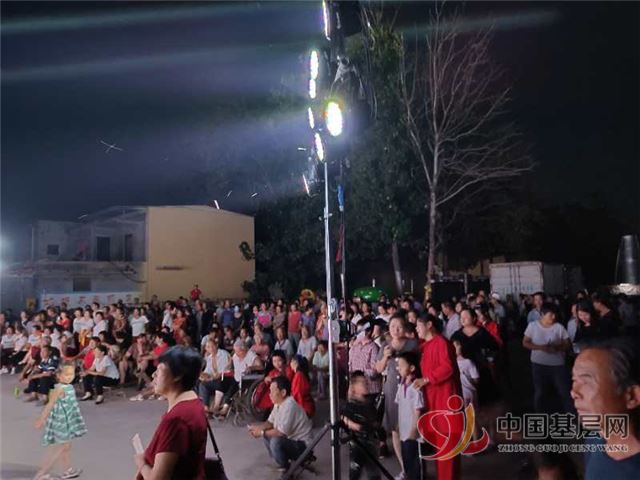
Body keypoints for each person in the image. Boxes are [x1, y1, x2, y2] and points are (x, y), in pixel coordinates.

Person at [571, 338, 640, 479]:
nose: (574, 392)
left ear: (632, 396)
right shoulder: (594, 440)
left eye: (586, 382)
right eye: (574, 380)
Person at [134, 346, 207, 480]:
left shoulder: (176, 420)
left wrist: (141, 463)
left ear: (178, 375)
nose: (154, 375)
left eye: (159, 370)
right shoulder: (195, 402)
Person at [414, 314, 461, 480]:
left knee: (447, 448)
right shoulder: (425, 346)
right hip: (433, 400)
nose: (416, 329)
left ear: (429, 325)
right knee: (439, 448)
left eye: (419, 325)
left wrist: (426, 379)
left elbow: (447, 368)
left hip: (445, 400)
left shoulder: (441, 343)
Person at [375, 315, 418, 475]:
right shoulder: (385, 346)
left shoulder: (413, 344)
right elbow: (378, 369)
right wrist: (386, 357)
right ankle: (404, 468)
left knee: (412, 427)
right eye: (392, 326)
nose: (395, 330)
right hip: (392, 389)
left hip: (410, 389)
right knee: (395, 429)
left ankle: (415, 468)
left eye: (399, 326)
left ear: (405, 328)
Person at [248, 376, 313, 472]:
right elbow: (270, 422)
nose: (270, 394)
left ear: (283, 393)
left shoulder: (290, 405)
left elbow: (280, 432)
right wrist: (258, 428)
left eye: (272, 391)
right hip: (292, 441)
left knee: (275, 441)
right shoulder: (278, 403)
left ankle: (286, 468)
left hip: (304, 446)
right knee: (267, 434)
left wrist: (261, 432)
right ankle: (283, 461)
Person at [33, 364, 87, 480]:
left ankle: (68, 470)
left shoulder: (69, 387)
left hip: (67, 420)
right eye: (66, 374)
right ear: (58, 375)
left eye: (71, 374)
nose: (69, 377)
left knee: (66, 446)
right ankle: (41, 474)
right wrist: (41, 419)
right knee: (61, 448)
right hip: (61, 421)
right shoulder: (59, 389)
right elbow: (50, 404)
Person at [523, 303, 574, 414]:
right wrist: (540, 347)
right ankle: (540, 415)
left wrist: (557, 347)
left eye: (555, 315)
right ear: (542, 314)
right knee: (540, 392)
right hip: (538, 364)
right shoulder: (533, 326)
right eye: (551, 315)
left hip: (557, 365)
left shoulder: (559, 327)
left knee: (564, 391)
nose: (553, 317)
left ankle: (571, 414)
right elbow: (525, 342)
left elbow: (567, 344)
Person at [341, 370, 381, 480]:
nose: (365, 384)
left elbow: (375, 421)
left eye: (366, 382)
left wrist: (376, 428)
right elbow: (343, 418)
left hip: (371, 444)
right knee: (355, 471)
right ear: (354, 387)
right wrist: (353, 425)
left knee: (374, 473)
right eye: (362, 383)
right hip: (356, 444)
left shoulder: (369, 403)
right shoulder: (351, 405)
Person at [395, 352, 424, 480]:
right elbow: (400, 405)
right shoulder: (401, 385)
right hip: (403, 430)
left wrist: (414, 428)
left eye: (402, 365)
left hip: (412, 432)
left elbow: (418, 409)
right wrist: (398, 424)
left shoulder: (415, 387)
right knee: (406, 458)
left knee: (414, 460)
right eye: (398, 365)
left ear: (412, 368)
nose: (399, 368)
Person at [198, 338, 232, 416]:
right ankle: (206, 408)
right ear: (206, 349)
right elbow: (208, 371)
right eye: (208, 347)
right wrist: (202, 375)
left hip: (224, 380)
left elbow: (223, 371)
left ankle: (208, 407)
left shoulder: (223, 354)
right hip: (215, 380)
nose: (211, 349)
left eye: (212, 346)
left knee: (204, 384)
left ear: (216, 345)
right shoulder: (209, 358)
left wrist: (210, 378)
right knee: (200, 383)